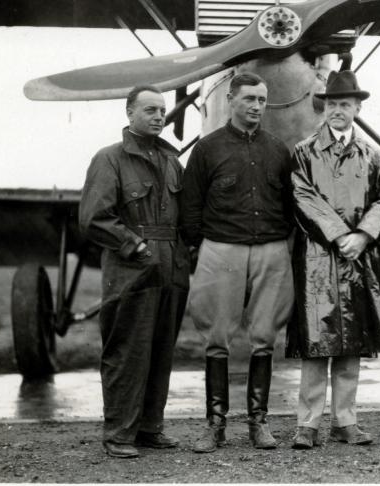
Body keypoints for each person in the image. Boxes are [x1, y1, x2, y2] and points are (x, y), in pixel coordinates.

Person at [180, 72, 294, 452]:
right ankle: (215, 424)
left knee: (264, 337)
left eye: (262, 100)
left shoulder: (279, 149)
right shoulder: (207, 148)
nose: (257, 107)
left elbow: (291, 205)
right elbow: (191, 206)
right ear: (231, 100)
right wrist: (206, 246)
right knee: (217, 337)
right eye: (249, 99)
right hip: (221, 249)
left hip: (270, 250)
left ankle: (258, 423)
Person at [286, 70, 380, 449]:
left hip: (359, 259)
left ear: (357, 108)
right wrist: (340, 234)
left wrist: (363, 235)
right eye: (331, 104)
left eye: (344, 104)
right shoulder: (304, 151)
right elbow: (303, 197)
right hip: (318, 258)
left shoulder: (372, 154)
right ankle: (308, 423)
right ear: (324, 107)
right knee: (317, 343)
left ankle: (346, 420)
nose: (337, 111)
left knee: (352, 345)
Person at [79, 85, 189, 458]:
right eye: (149, 110)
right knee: (127, 350)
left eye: (162, 110)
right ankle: (119, 435)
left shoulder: (172, 162)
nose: (159, 116)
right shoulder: (109, 159)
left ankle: (149, 429)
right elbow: (94, 218)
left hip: (171, 269)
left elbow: (186, 218)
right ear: (129, 113)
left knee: (161, 350)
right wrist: (135, 246)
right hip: (131, 270)